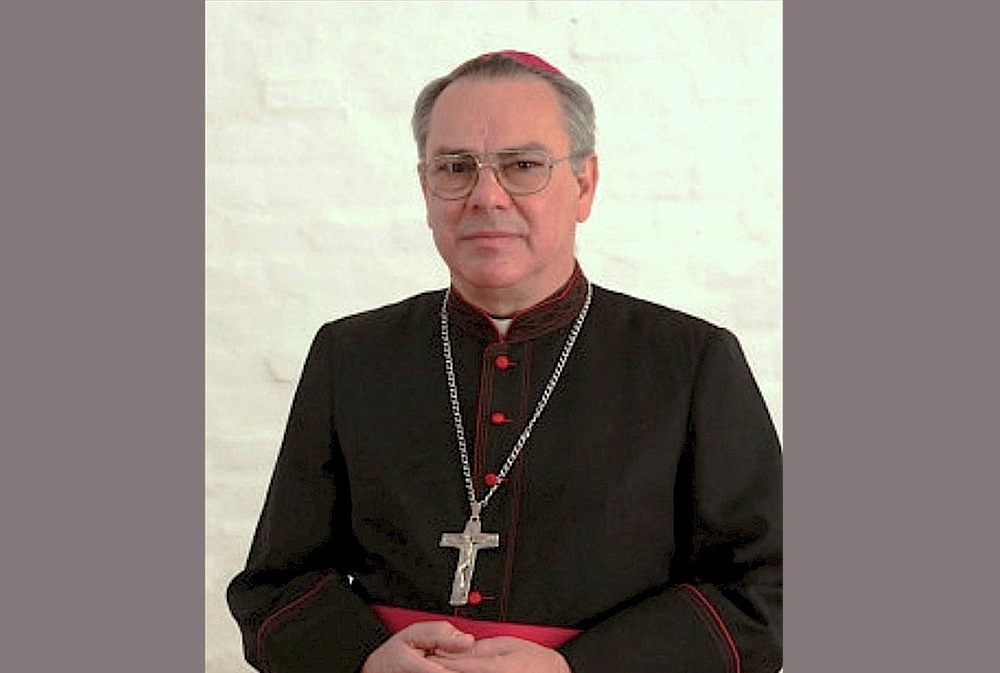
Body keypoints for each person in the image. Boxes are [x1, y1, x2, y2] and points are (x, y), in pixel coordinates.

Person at [227, 50, 782, 673]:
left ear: (584, 184)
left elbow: (766, 593)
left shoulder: (691, 362)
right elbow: (273, 586)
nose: (486, 196)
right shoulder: (351, 356)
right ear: (426, 189)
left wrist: (576, 670)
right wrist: (366, 661)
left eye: (523, 166)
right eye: (455, 168)